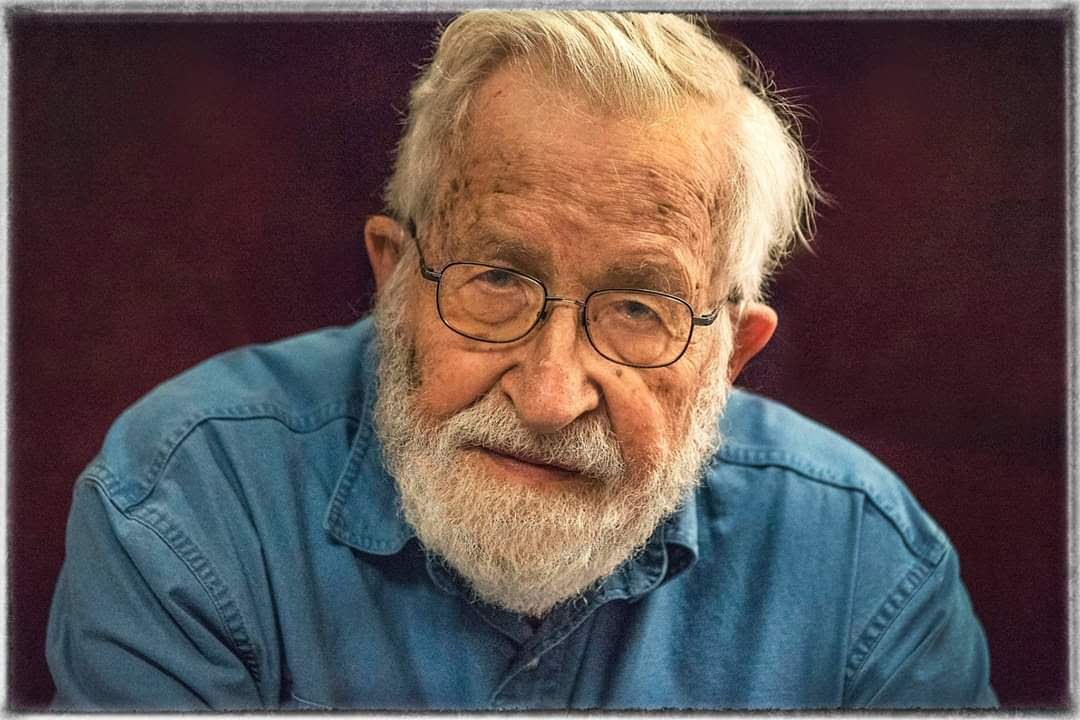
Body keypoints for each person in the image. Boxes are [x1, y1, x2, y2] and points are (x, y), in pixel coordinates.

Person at [45, 10, 996, 710]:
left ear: (730, 355)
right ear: (394, 279)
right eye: (497, 280)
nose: (548, 397)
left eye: (639, 309)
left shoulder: (869, 569)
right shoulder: (186, 505)